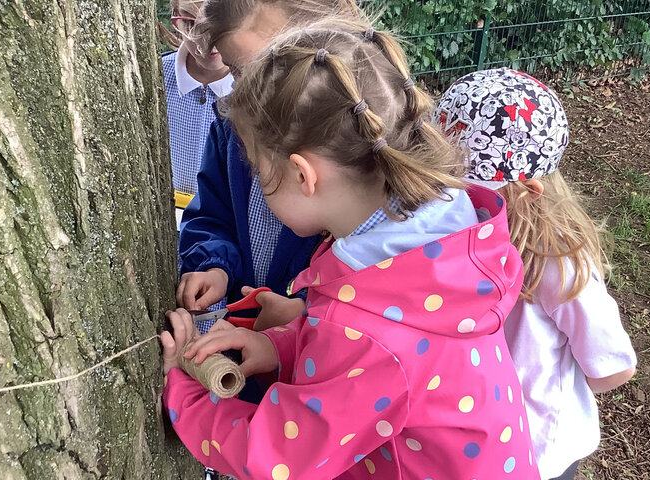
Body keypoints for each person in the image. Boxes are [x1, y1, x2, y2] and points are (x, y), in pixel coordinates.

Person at [161, 25, 540, 479]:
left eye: (261, 175)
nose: (260, 188)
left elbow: (279, 456)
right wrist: (280, 347)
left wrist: (183, 390)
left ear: (303, 176)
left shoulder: (365, 328)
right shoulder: (436, 243)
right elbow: (380, 365)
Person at [435, 67, 637, 480]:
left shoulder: (557, 261)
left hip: (535, 453)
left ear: (528, 191)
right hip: (490, 441)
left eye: (468, 192)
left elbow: (614, 364)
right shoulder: (457, 235)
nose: (451, 202)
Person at [175, 0, 364, 332]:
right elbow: (212, 214)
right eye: (236, 70)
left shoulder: (360, 151)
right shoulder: (233, 127)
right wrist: (215, 266)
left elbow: (373, 295)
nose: (245, 91)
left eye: (266, 68)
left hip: (313, 358)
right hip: (242, 339)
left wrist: (305, 318)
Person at [161, 0, 233, 229]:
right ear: (176, 20)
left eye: (219, 23)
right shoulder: (156, 76)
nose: (207, 39)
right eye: (192, 24)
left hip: (223, 233)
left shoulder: (259, 92)